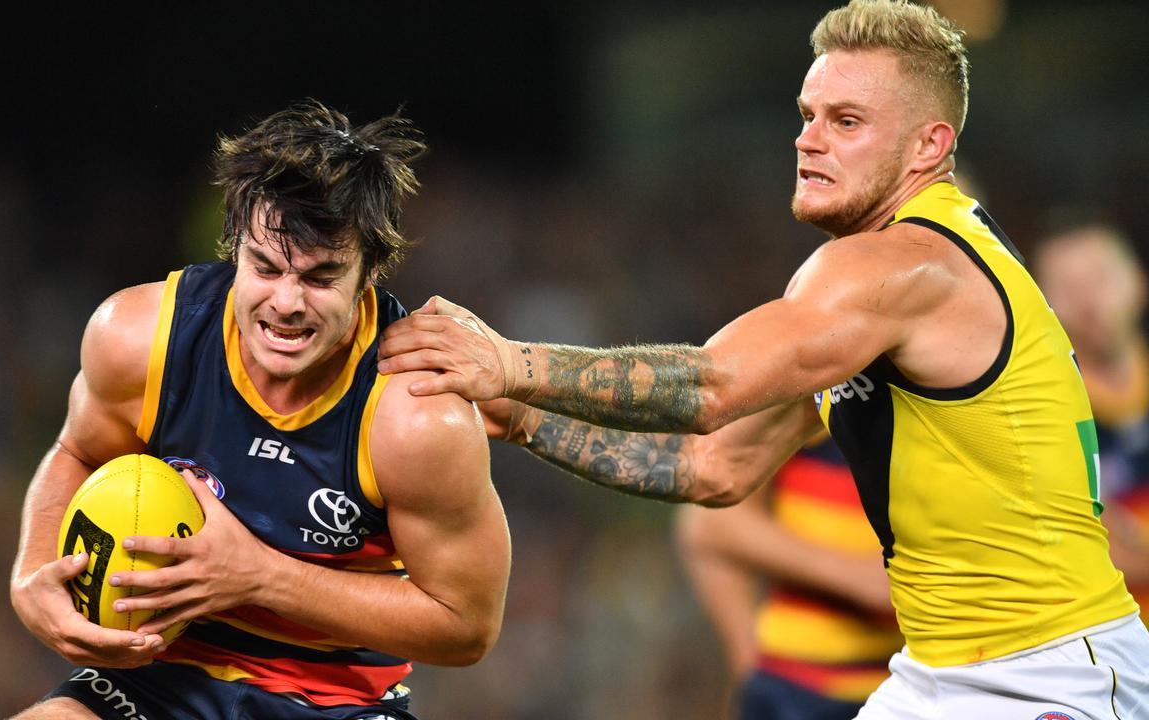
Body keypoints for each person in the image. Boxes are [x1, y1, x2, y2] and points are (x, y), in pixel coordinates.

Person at [378, 1, 1149, 716]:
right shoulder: (879, 303)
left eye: (847, 121)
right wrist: (525, 423)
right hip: (948, 674)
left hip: (1049, 673)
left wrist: (509, 361)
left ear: (930, 146)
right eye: (808, 115)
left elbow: (711, 384)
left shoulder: (903, 263)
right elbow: (716, 469)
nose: (807, 138)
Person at [8, 100, 511, 720]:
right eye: (265, 267)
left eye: (321, 277)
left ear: (371, 272)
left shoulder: (415, 414)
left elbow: (468, 627)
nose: (286, 302)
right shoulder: (141, 341)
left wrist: (259, 576)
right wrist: (32, 574)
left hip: (339, 703)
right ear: (234, 248)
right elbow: (77, 452)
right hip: (156, 679)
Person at [676, 436, 901, 720]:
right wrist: (856, 577)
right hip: (797, 686)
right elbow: (707, 524)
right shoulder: (816, 409)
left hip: (911, 681)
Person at [1035, 219, 1149, 626]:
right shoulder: (1042, 416)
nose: (1089, 301)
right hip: (1115, 656)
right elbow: (1092, 554)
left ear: (1138, 279)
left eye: (1101, 277)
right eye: (1067, 287)